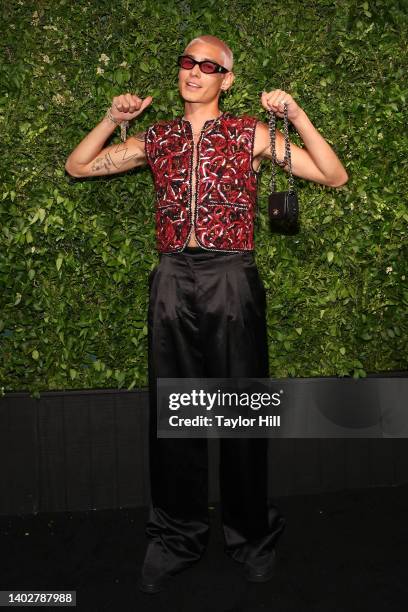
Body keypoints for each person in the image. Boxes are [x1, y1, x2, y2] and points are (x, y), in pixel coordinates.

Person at [65, 34, 348, 594]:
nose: (194, 71)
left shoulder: (250, 133)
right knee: (176, 414)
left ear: (227, 79)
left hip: (231, 278)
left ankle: (250, 537)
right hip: (172, 277)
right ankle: (176, 538)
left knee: (240, 412)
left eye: (208, 65)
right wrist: (108, 116)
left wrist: (296, 112)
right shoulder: (159, 136)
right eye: (187, 62)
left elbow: (333, 175)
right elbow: (78, 167)